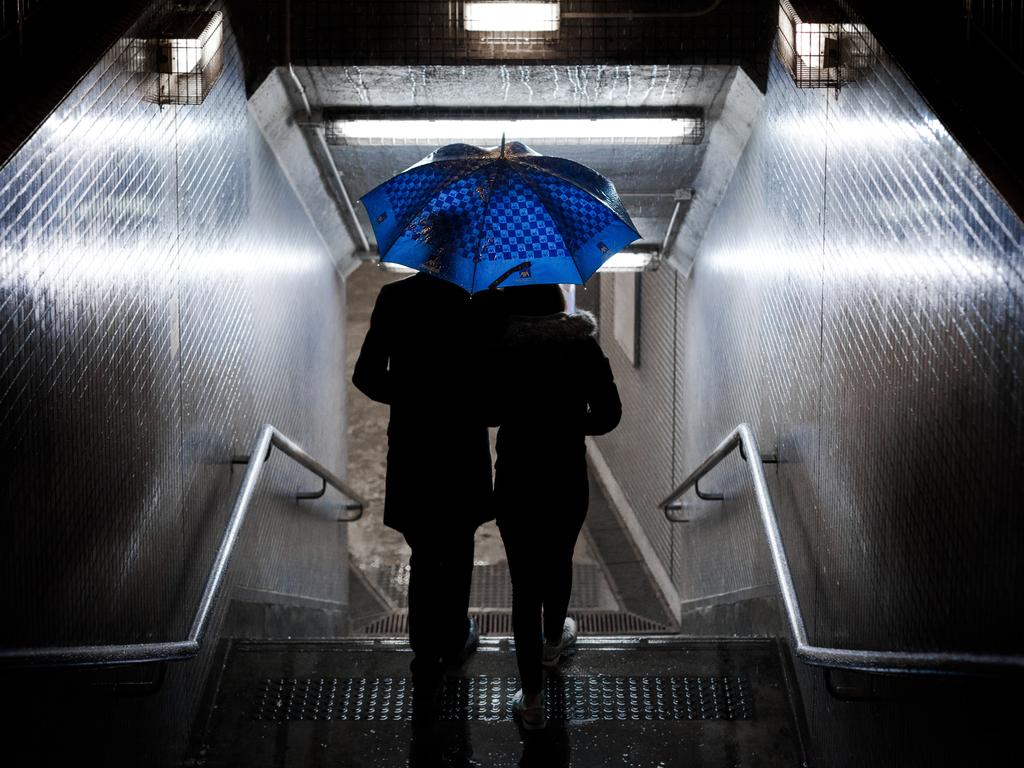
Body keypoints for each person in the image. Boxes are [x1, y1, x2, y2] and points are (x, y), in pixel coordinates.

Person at [353, 271, 495, 717]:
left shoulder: (396, 298)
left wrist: (414, 395)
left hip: (415, 449)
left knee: (425, 551)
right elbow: (496, 396)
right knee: (457, 544)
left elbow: (366, 376)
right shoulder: (483, 304)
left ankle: (424, 654)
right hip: (461, 450)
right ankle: (454, 638)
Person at [489, 284, 622, 730]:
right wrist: (567, 422)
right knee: (559, 559)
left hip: (516, 478)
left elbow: (487, 411)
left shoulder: (501, 347)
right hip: (565, 476)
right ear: (558, 305)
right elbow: (607, 415)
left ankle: (531, 700)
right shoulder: (581, 346)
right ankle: (552, 644)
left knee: (524, 585)